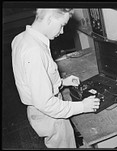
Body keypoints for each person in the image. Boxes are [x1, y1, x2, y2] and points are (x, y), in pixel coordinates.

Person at [11, 8, 100, 148]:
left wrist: (62, 82)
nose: (62, 31)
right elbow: (46, 103)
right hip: (50, 115)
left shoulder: (21, 38)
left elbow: (33, 80)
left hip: (39, 111)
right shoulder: (35, 51)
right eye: (62, 25)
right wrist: (83, 106)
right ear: (49, 19)